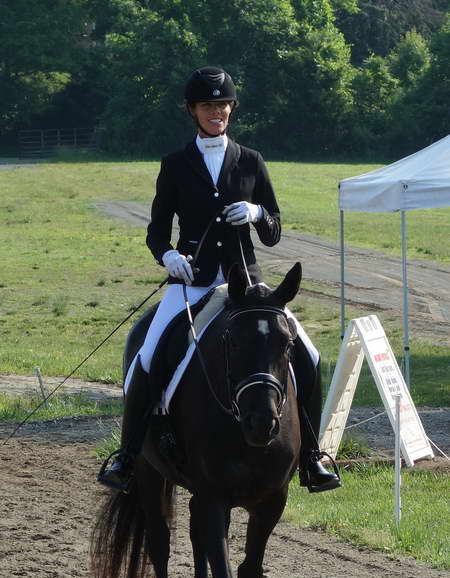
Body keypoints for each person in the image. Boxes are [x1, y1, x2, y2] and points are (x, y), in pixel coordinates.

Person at [98, 66, 340, 494]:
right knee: (148, 357)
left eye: (223, 104)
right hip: (193, 283)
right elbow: (157, 231)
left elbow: (274, 228)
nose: (218, 112)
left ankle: (312, 458)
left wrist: (257, 212)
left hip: (247, 286)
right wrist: (169, 256)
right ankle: (128, 455)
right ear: (193, 110)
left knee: (310, 355)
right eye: (209, 105)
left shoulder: (250, 161)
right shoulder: (175, 164)